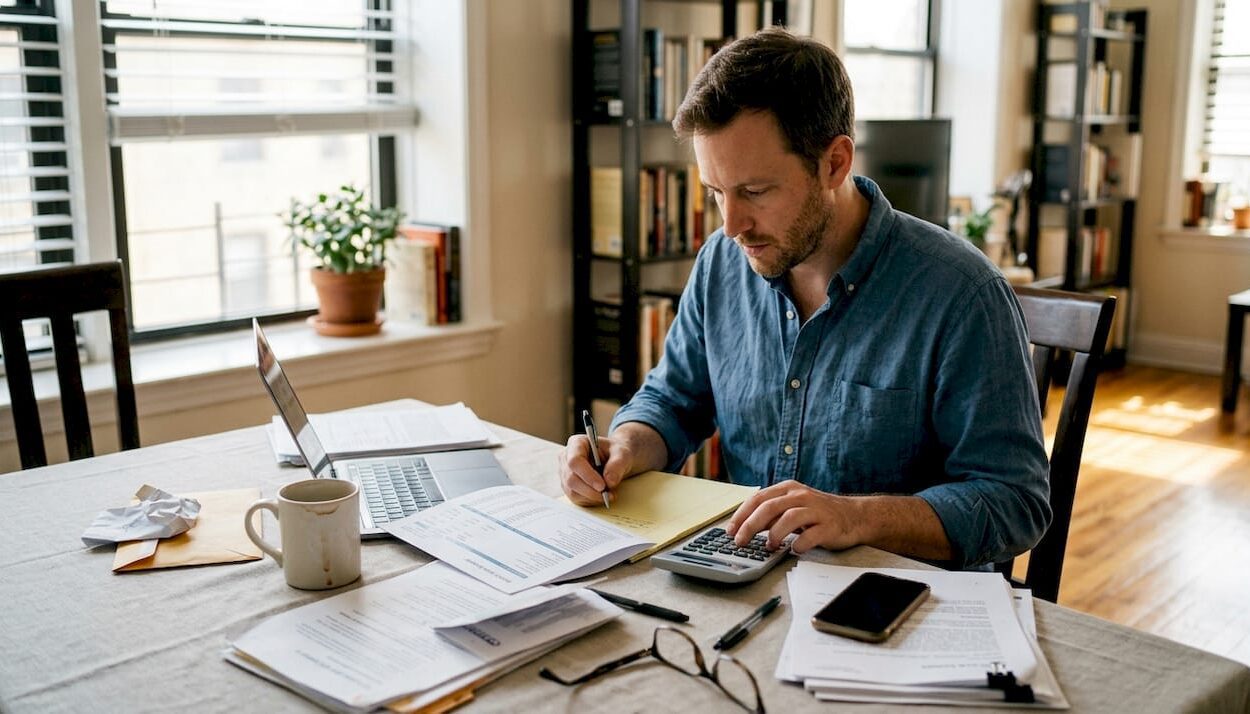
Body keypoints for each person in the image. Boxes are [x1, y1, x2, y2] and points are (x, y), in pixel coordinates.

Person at [560, 27, 1050, 570]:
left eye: (755, 191)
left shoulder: (962, 294)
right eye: (716, 193)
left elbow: (1015, 502)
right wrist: (626, 446)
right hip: (748, 579)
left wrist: (855, 517)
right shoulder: (722, 263)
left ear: (835, 163)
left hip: (899, 598)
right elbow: (673, 401)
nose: (732, 225)